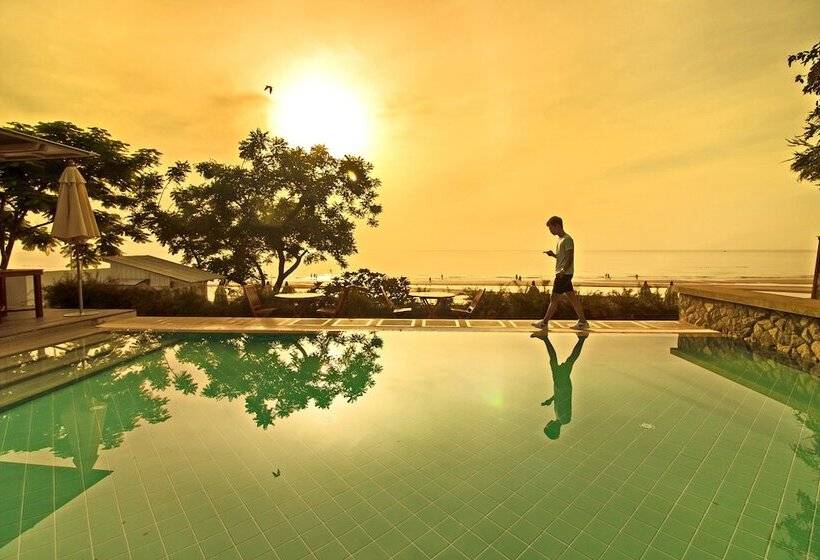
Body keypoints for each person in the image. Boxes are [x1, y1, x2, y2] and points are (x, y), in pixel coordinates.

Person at [532, 216, 588, 331]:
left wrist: (563, 270)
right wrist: (553, 255)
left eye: (551, 228)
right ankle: (583, 322)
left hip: (564, 274)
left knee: (554, 298)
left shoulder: (567, 239)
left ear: (557, 225)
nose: (550, 231)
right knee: (572, 298)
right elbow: (562, 257)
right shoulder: (560, 240)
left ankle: (544, 323)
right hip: (564, 273)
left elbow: (570, 257)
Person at [531, 331, 588, 440]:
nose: (547, 424)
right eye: (547, 427)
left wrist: (550, 400)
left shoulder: (559, 417)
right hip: (562, 384)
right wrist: (562, 384)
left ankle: (546, 338)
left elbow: (559, 398)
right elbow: (565, 399)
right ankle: (581, 338)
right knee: (566, 361)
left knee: (562, 361)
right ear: (553, 428)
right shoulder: (565, 419)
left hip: (560, 385)